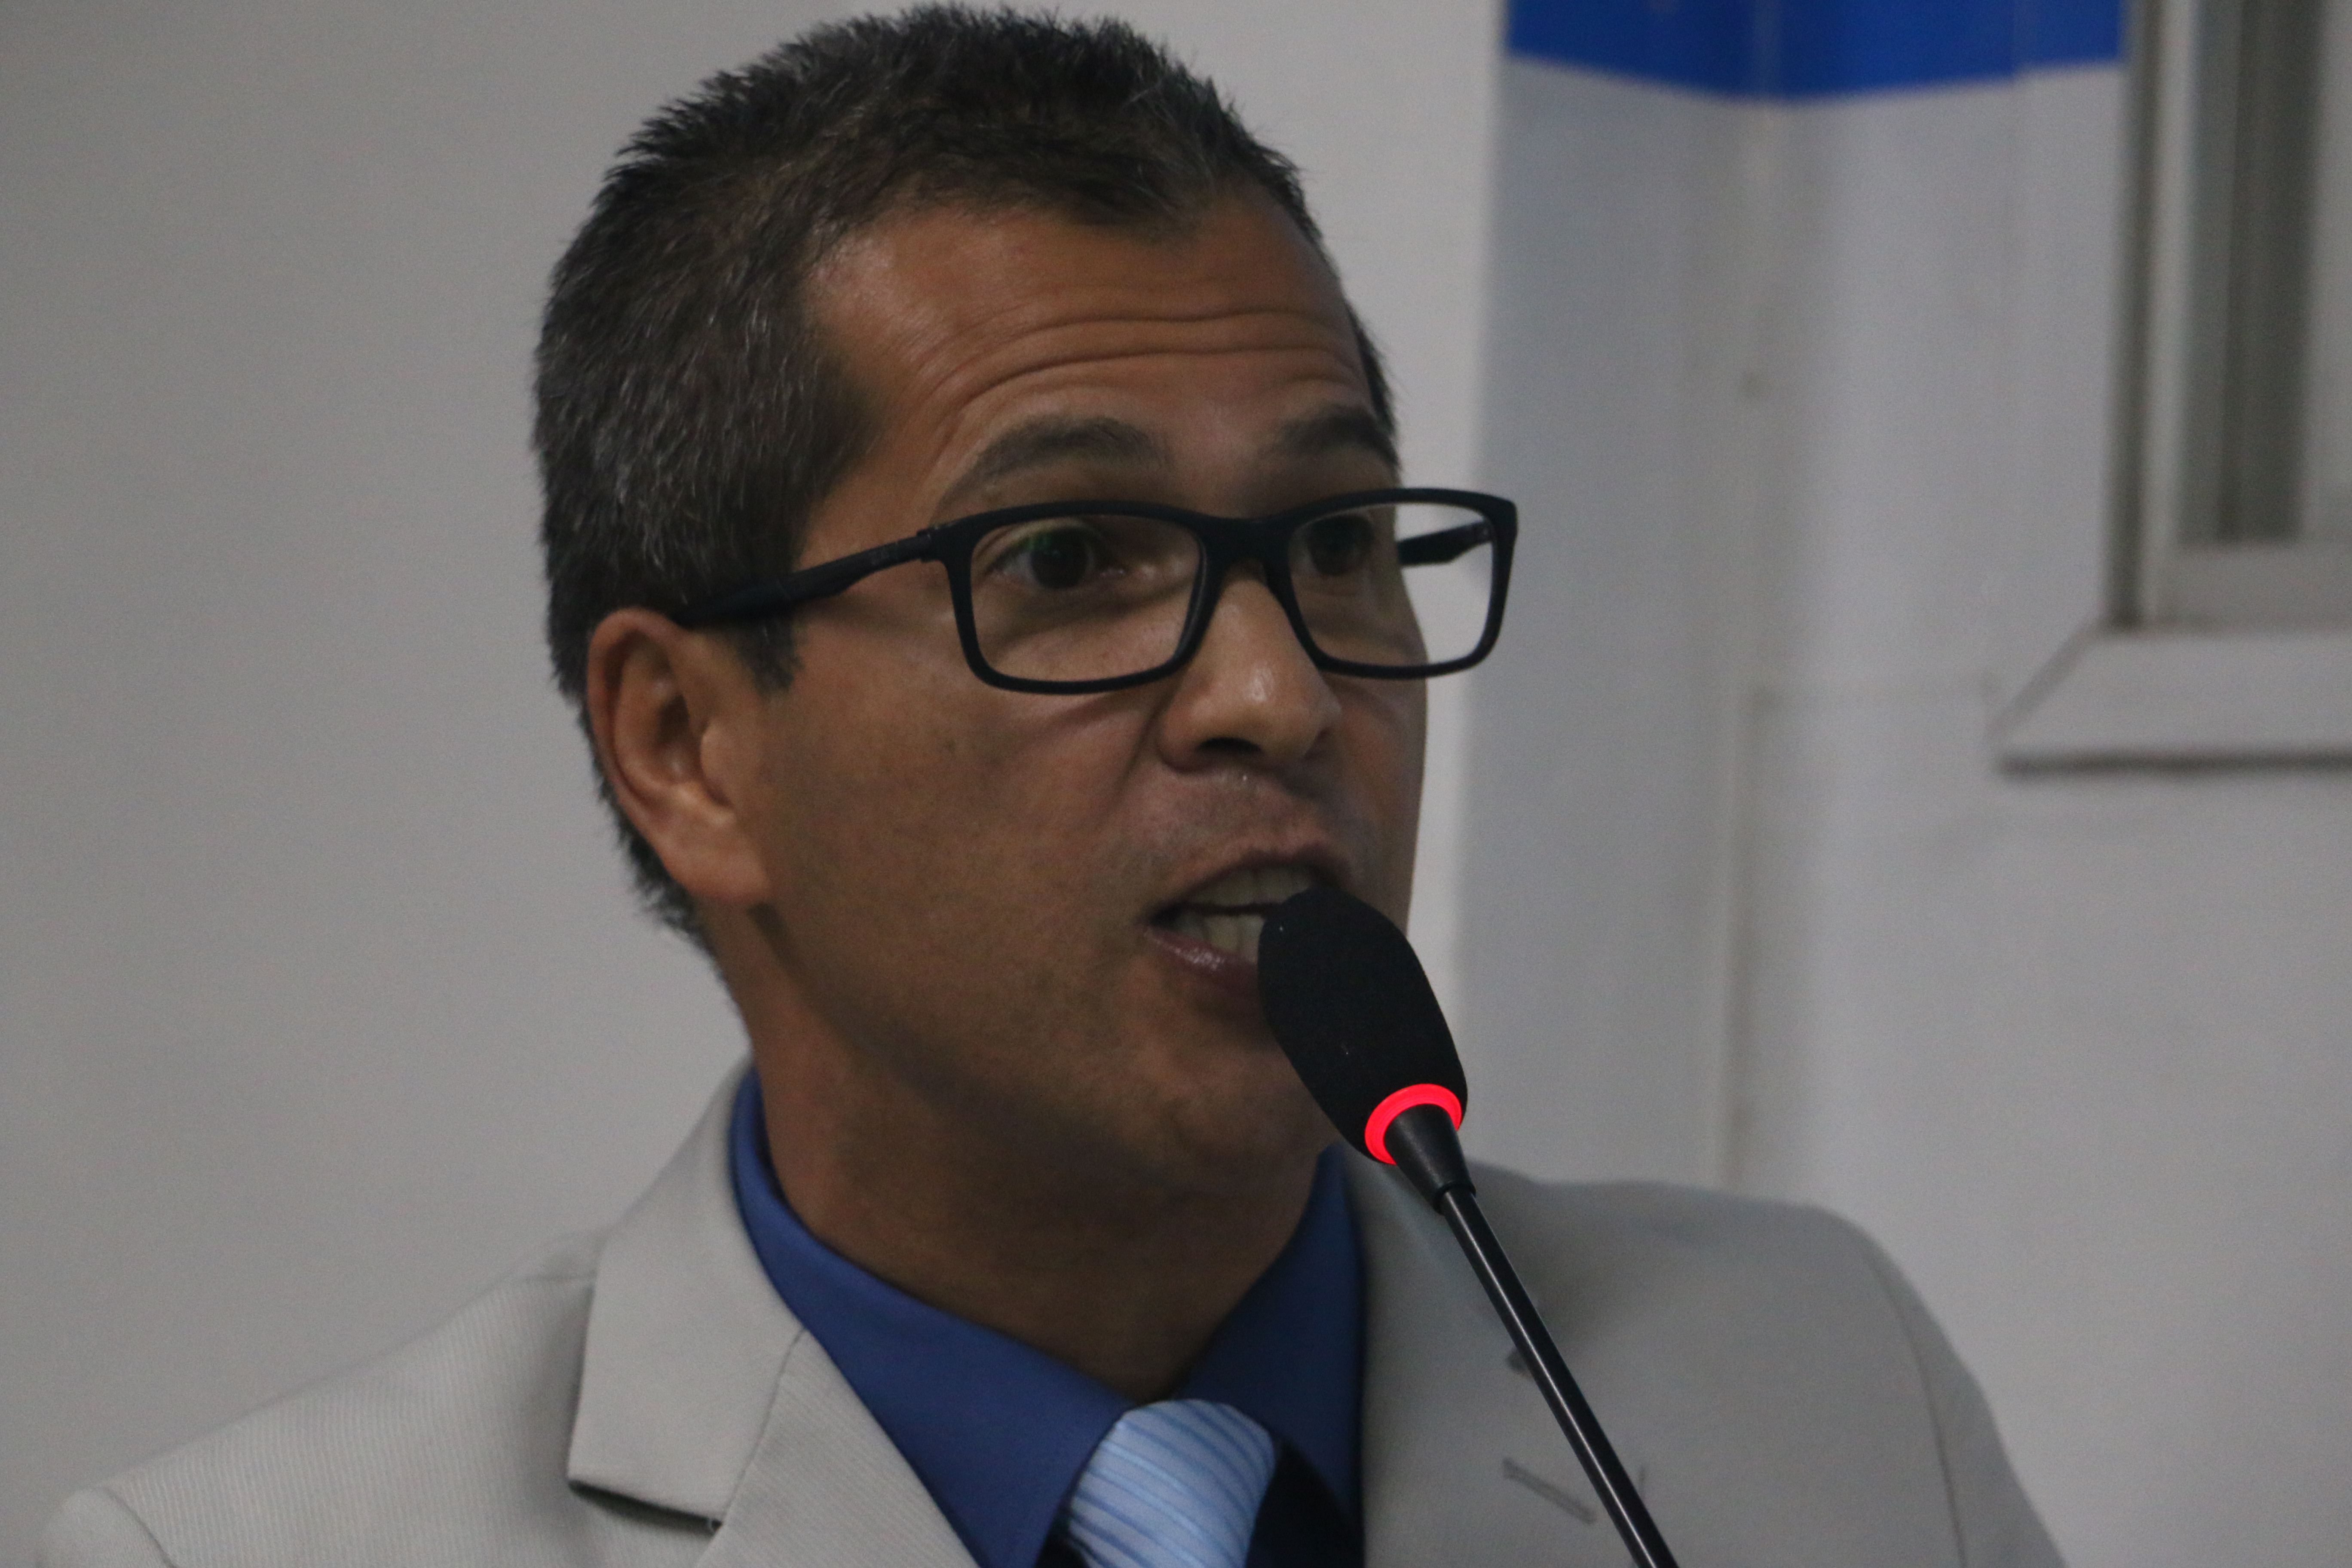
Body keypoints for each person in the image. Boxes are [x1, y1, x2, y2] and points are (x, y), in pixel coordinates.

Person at [40, 10, 2062, 1567]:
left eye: (1339, 541)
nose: (1279, 693)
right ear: (687, 746)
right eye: (1072, 562)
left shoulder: (1816, 1391)